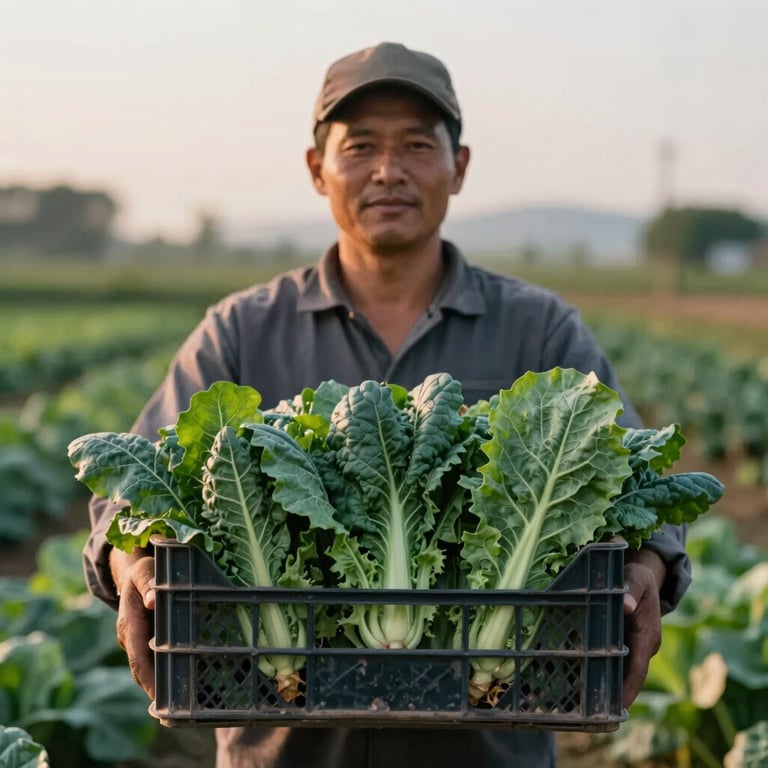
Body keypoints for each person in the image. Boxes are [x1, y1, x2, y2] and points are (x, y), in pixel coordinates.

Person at [83, 41, 691, 768]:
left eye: (415, 145)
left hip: (492, 736)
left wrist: (649, 566)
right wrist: (133, 564)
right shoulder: (241, 332)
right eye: (361, 146)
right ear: (318, 169)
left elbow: (642, 490)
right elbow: (131, 488)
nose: (388, 171)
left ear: (458, 166)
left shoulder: (541, 330)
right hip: (281, 741)